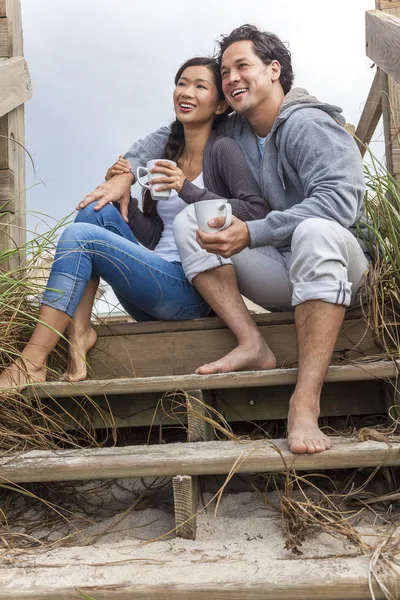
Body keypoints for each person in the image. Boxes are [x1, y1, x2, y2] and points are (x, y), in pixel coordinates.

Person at [91, 26, 371, 456]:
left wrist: (254, 231)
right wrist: (126, 173)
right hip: (281, 271)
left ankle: (305, 401)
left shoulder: (309, 123)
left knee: (315, 231)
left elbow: (339, 203)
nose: (232, 78)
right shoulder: (236, 129)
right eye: (225, 72)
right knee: (191, 219)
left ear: (274, 70)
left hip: (341, 270)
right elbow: (166, 136)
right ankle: (252, 343)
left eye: (243, 66)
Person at [0, 56, 272, 391]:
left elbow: (256, 211)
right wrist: (124, 204)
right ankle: (80, 333)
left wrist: (185, 188)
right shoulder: (168, 154)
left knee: (81, 234)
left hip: (194, 292)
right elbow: (156, 237)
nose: (187, 91)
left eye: (201, 86)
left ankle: (31, 361)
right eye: (182, 82)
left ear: (218, 106)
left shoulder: (224, 150)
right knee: (94, 212)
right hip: (157, 280)